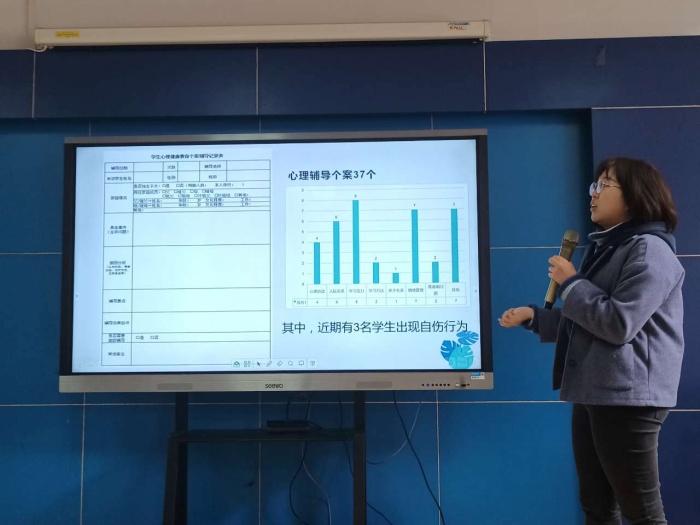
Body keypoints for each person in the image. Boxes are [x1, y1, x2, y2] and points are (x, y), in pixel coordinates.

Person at [499, 157, 684, 525]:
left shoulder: (650, 250)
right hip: (598, 393)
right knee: (597, 507)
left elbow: (618, 323)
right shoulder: (612, 247)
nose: (593, 194)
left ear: (635, 196)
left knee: (642, 514)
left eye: (604, 185)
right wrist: (535, 317)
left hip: (627, 399)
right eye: (593, 186)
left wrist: (570, 283)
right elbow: (589, 320)